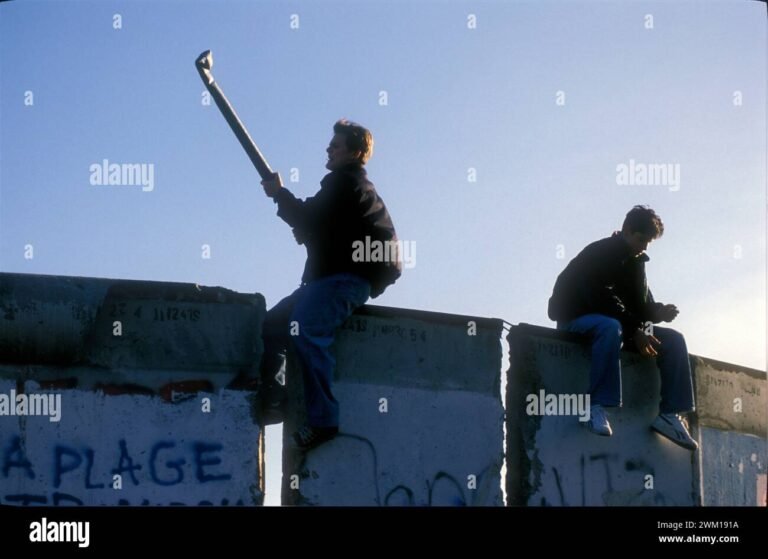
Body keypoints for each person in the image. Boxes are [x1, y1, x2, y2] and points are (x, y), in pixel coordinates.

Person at [258, 119, 400, 450]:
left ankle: (324, 421)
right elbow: (314, 226)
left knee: (304, 328)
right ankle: (274, 398)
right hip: (325, 281)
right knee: (272, 325)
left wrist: (279, 193)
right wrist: (283, 199)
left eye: (334, 145)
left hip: (343, 280)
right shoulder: (344, 188)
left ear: (354, 152)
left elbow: (308, 218)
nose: (328, 149)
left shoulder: (347, 185)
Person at [547, 206, 697, 450]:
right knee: (609, 326)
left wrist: (658, 312)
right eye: (641, 239)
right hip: (575, 321)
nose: (644, 246)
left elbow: (640, 306)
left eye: (648, 242)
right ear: (627, 231)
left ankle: (669, 415)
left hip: (618, 326)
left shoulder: (636, 264)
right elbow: (598, 297)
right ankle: (595, 407)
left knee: (673, 340)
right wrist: (634, 330)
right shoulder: (599, 253)